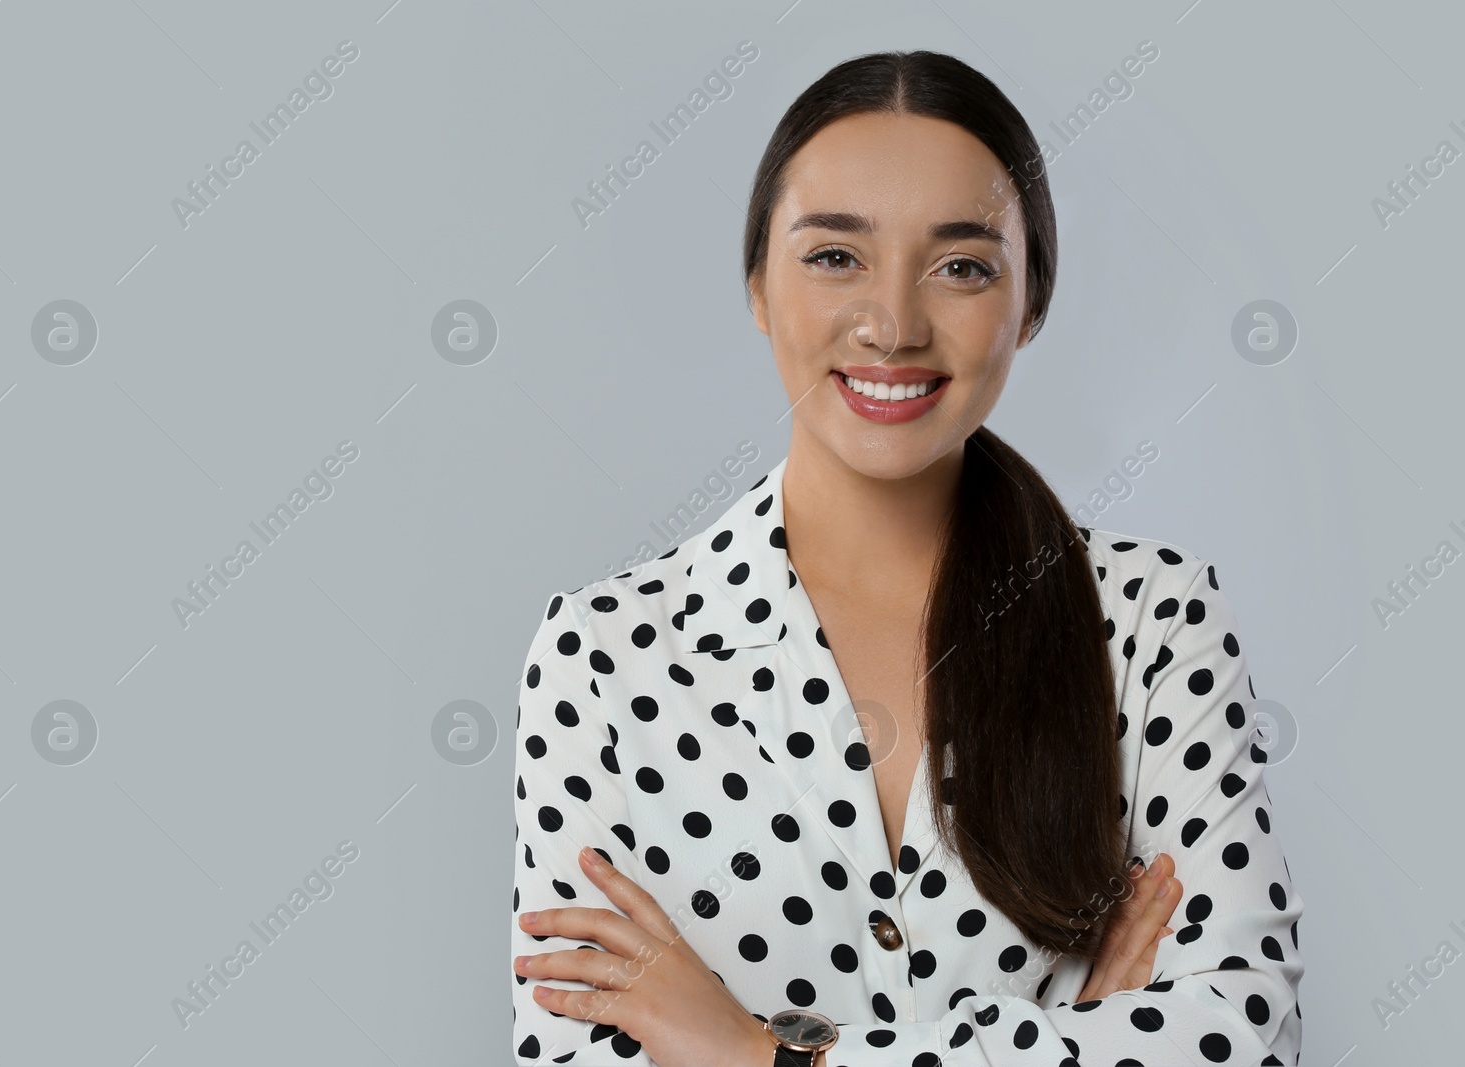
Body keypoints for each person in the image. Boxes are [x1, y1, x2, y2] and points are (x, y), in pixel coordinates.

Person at [508, 49, 1303, 1067]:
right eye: (835, 256)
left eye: (961, 265)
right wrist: (1076, 1034)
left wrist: (766, 1054)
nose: (892, 323)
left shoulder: (1153, 618)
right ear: (756, 285)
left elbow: (1245, 1034)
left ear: (1031, 304)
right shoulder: (605, 654)